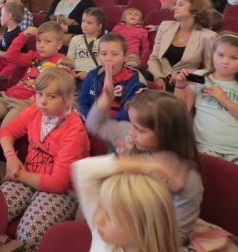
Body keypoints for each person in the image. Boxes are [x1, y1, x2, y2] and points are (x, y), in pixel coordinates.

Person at [86, 88, 202, 244]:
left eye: (140, 130)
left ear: (166, 133)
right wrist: (106, 97)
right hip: (120, 224)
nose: (132, 133)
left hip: (147, 240)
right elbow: (94, 125)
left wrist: (127, 234)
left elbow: (177, 236)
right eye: (132, 125)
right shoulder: (130, 136)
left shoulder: (187, 178)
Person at [0, 67, 89, 251]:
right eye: (39, 94)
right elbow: (7, 132)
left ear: (68, 99)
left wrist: (17, 174)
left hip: (62, 192)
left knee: (29, 236)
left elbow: (57, 183)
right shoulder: (36, 111)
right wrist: (11, 157)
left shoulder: (74, 130)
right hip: (27, 177)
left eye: (51, 96)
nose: (42, 101)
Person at [73, 154, 182, 252]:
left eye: (110, 216)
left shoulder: (105, 235)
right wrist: (147, 166)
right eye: (101, 207)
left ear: (142, 227)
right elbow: (84, 170)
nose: (98, 219)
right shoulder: (105, 238)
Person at [173, 32, 238, 162]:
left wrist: (225, 100)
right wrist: (179, 87)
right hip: (203, 146)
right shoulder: (201, 77)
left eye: (233, 58)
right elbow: (182, 111)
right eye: (220, 55)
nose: (225, 62)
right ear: (212, 54)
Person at [0, 21, 71, 127]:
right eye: (38, 41)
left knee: (5, 129)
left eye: (47, 41)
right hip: (7, 97)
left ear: (59, 44)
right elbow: (10, 56)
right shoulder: (33, 56)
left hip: (25, 103)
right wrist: (23, 36)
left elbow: (63, 88)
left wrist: (38, 97)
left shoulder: (61, 62)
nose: (41, 45)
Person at [148, 0, 215, 90]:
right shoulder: (165, 26)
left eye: (180, 4)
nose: (174, 8)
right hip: (157, 78)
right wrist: (158, 77)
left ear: (195, 10)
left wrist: (184, 77)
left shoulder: (208, 36)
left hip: (184, 85)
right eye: (175, 4)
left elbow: (211, 71)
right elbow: (154, 59)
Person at [78, 33, 147, 121]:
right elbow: (82, 101)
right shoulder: (93, 75)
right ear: (98, 56)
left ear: (125, 57)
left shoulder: (135, 80)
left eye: (114, 54)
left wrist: (107, 124)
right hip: (91, 123)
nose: (108, 58)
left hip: (119, 125)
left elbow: (130, 111)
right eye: (104, 54)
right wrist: (88, 118)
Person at [67, 7, 105, 81]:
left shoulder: (104, 42)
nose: (85, 25)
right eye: (83, 21)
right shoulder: (75, 39)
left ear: (99, 26)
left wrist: (88, 73)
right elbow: (69, 59)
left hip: (94, 75)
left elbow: (104, 64)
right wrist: (71, 71)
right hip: (76, 74)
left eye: (89, 23)